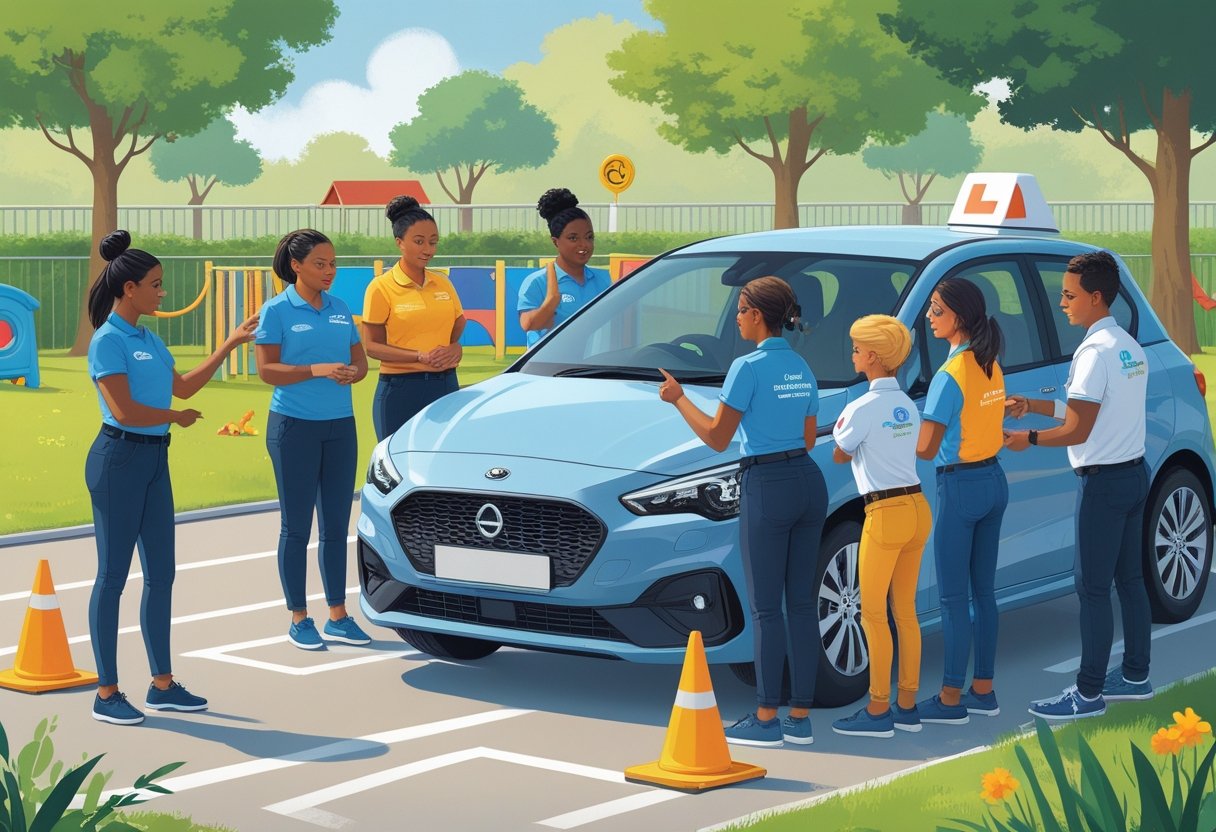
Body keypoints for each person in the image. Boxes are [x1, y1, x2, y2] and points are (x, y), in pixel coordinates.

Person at [85, 230, 258, 725]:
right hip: (117, 462)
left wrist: (229, 344)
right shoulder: (108, 341)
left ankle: (162, 685)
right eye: (156, 285)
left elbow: (182, 386)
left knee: (162, 575)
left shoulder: (150, 339)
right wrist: (173, 417)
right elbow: (123, 410)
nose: (163, 293)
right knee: (112, 577)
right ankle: (106, 693)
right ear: (129, 289)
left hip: (153, 462)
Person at [657, 276, 826, 748]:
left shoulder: (746, 368)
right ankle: (799, 718)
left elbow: (717, 437)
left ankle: (766, 718)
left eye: (740, 309)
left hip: (766, 485)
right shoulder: (802, 367)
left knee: (766, 609)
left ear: (756, 315)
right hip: (807, 481)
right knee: (801, 605)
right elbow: (808, 438)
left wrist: (679, 399)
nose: (735, 317)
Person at [1005, 251, 1152, 720]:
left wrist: (1028, 437)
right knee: (1131, 581)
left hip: (1103, 484)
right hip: (1134, 474)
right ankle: (1136, 676)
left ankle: (1087, 694)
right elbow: (1088, 409)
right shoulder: (1128, 347)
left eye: (1069, 295)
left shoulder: (1092, 353)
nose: (1062, 303)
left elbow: (1078, 429)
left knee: (1091, 589)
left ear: (1095, 297)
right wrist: (1033, 404)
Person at [256, 229, 371, 650]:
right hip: (293, 428)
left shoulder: (340, 309)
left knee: (337, 525)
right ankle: (299, 618)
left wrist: (353, 372)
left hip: (340, 426)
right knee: (296, 526)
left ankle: (338, 615)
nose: (329, 271)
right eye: (320, 264)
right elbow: (267, 370)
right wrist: (317, 370)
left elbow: (360, 360)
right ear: (296, 266)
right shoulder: (276, 311)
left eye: (333, 263)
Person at [830, 315, 931, 738]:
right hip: (918, 507)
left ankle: (877, 709)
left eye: (857, 348)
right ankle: (907, 705)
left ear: (872, 356)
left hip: (884, 513)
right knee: (905, 611)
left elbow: (839, 453)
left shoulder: (861, 408)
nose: (853, 354)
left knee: (872, 612)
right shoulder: (907, 405)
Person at [915, 278, 1008, 726]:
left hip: (959, 488)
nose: (929, 317)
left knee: (953, 599)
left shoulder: (948, 376)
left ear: (960, 316)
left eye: (937, 310)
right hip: (994, 481)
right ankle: (983, 691)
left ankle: (950, 698)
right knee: (984, 594)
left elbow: (926, 448)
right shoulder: (990, 363)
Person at [362, 195, 466, 441]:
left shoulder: (443, 283)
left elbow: (458, 322)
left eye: (433, 242)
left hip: (445, 385)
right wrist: (420, 356)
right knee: (396, 458)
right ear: (399, 242)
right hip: (400, 389)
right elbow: (372, 346)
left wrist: (454, 348)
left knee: (444, 455)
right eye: (419, 241)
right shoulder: (381, 287)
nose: (428, 249)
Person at [517, 188, 611, 348]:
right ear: (555, 242)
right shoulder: (537, 282)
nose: (584, 245)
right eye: (573, 238)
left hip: (594, 362)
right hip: (549, 363)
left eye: (589, 237)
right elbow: (528, 324)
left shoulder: (604, 280)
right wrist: (551, 301)